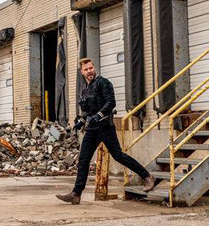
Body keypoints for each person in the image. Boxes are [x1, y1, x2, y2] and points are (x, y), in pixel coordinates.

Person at [56, 58, 155, 204]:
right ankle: (76, 194)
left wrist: (99, 116)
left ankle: (147, 176)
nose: (89, 71)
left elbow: (111, 102)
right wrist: (81, 121)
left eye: (91, 68)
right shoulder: (85, 90)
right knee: (83, 161)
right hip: (91, 129)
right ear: (81, 72)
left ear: (94, 68)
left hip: (105, 128)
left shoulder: (104, 83)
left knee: (118, 155)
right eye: (86, 69)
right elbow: (87, 111)